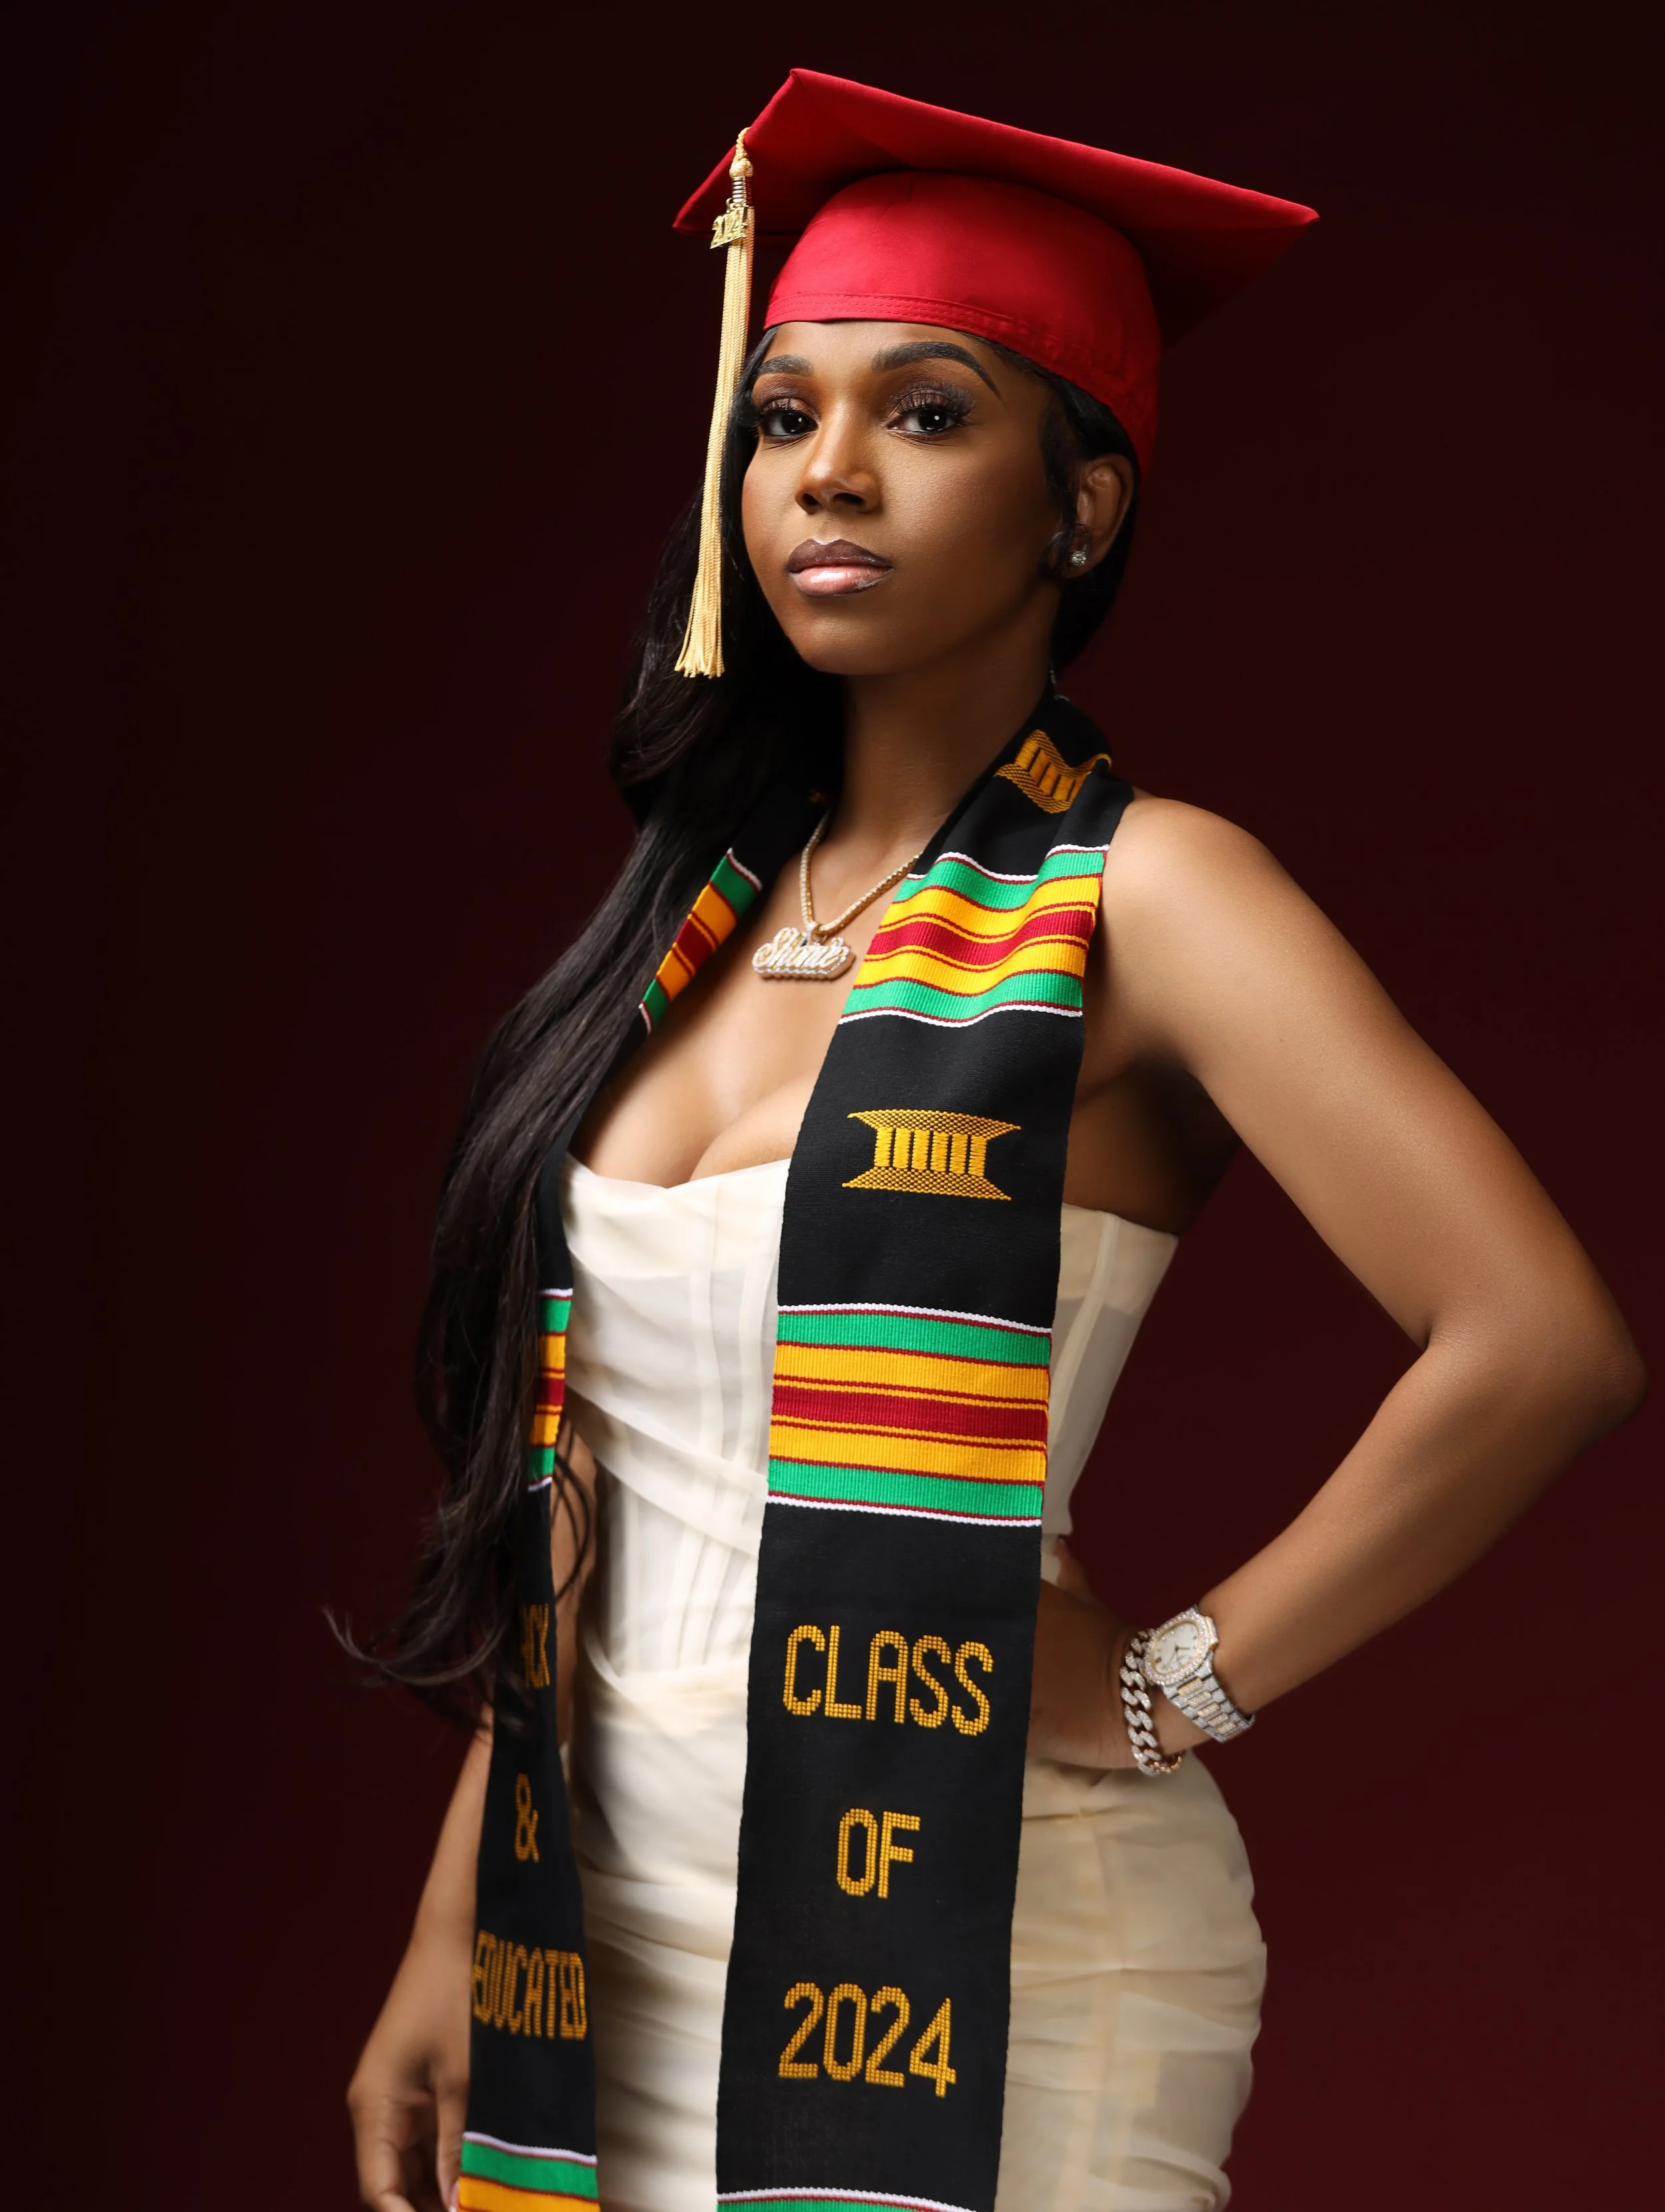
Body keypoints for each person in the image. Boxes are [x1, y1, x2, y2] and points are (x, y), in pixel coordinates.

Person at [346, 69, 1644, 2212]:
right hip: (607, 1929)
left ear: (1084, 504)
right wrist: (440, 1919)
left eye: (925, 413)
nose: (824, 475)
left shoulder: (1146, 898)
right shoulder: (688, 929)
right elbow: (591, 1492)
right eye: (779, 419)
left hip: (975, 1927)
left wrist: (1166, 1689)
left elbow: (1537, 1342)